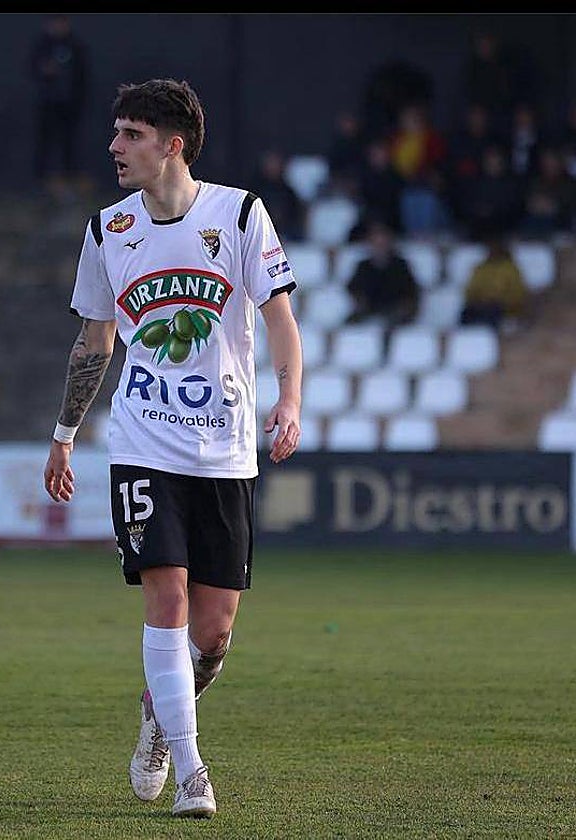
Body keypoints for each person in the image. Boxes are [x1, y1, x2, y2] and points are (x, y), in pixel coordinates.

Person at [42, 79, 303, 820]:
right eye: (116, 132)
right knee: (167, 595)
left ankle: (161, 711)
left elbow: (280, 320)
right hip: (142, 442)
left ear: (172, 145)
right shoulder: (107, 230)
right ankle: (192, 771)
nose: (114, 147)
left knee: (213, 633)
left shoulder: (241, 214)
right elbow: (94, 341)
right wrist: (64, 435)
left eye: (130, 134)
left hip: (224, 449)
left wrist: (289, 401)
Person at [28, 13, 89, 199]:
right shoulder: (42, 46)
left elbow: (83, 75)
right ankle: (41, 181)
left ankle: (70, 179)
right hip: (47, 104)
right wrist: (45, 71)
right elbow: (32, 69)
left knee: (69, 144)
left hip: (70, 105)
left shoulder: (75, 46)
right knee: (44, 142)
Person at [344, 219, 420, 326]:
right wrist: (360, 301)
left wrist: (403, 307)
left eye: (383, 241)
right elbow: (353, 288)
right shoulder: (363, 266)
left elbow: (411, 291)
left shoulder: (401, 265)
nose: (380, 244)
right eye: (376, 241)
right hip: (369, 311)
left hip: (394, 312)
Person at [460, 233, 530, 331]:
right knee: (467, 313)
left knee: (492, 311)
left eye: (495, 247)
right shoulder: (480, 268)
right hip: (480, 306)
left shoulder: (511, 269)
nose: (492, 250)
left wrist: (498, 301)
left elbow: (517, 295)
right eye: (490, 247)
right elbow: (470, 291)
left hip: (500, 308)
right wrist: (480, 300)